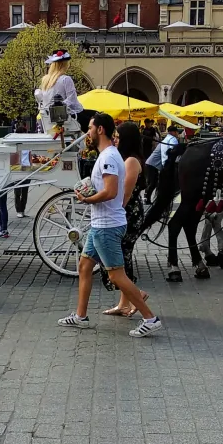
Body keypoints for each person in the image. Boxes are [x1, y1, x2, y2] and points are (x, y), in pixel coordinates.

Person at [59, 112, 163, 338]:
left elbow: (110, 191)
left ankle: (150, 318)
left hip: (107, 225)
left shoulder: (108, 157)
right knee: (85, 267)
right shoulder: (110, 155)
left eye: (89, 127)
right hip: (101, 224)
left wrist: (87, 199)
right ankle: (81, 316)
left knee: (116, 275)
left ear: (100, 130)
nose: (87, 132)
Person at [102, 121, 149, 317]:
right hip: (126, 212)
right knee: (123, 256)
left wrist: (113, 212)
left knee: (122, 256)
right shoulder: (126, 159)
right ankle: (124, 303)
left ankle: (136, 295)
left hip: (129, 213)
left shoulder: (131, 161)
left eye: (119, 137)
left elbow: (126, 194)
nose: (115, 140)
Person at [34, 49, 83, 135]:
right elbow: (72, 100)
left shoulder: (45, 80)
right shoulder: (66, 79)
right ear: (64, 64)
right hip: (64, 118)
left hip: (48, 119)